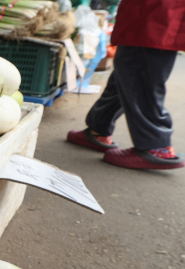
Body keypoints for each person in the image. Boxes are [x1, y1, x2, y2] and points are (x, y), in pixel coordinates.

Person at [66, 0, 185, 170]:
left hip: (155, 13)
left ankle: (157, 146)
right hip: (154, 13)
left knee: (139, 73)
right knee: (127, 75)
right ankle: (98, 129)